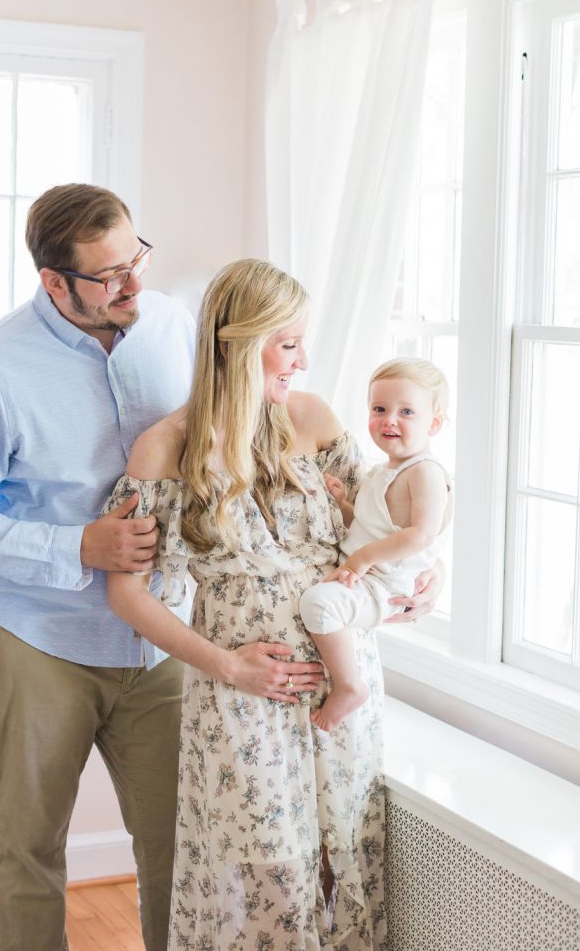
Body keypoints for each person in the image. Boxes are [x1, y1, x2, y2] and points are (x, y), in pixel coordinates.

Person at [0, 185, 323, 951]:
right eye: (108, 275)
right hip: (34, 639)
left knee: (181, 847)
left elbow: (243, 430)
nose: (133, 283)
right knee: (30, 849)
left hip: (163, 638)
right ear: (54, 282)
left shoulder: (172, 328)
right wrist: (76, 546)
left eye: (136, 257)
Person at [105, 261, 441, 951]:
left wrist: (426, 571)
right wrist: (228, 667)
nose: (302, 359)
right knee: (270, 878)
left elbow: (384, 511)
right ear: (238, 340)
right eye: (287, 343)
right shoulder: (166, 449)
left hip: (338, 676)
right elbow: (128, 594)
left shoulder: (311, 418)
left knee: (336, 862)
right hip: (241, 698)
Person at [299, 358, 453, 731]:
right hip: (367, 573)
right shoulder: (383, 469)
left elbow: (422, 535)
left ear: (433, 423)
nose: (390, 420)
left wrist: (363, 560)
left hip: (385, 585)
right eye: (379, 409)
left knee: (317, 603)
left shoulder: (425, 473)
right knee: (321, 601)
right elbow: (370, 528)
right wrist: (343, 504)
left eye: (406, 412)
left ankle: (350, 686)